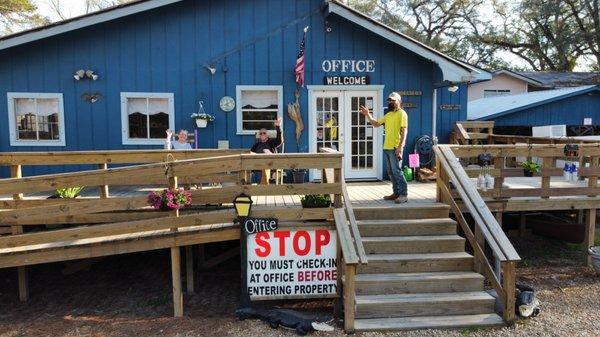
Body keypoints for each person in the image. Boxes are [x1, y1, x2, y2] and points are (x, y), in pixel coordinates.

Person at [359, 92, 408, 203]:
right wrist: (367, 114)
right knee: (391, 172)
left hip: (396, 147)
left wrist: (400, 147)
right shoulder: (389, 115)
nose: (391, 102)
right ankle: (396, 193)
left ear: (399, 101)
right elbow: (376, 124)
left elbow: (404, 131)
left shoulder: (402, 114)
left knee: (397, 171)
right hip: (387, 147)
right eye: (389, 100)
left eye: (393, 100)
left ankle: (403, 194)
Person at [250, 117, 284, 184]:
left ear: (267, 134)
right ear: (259, 136)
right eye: (261, 133)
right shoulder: (256, 145)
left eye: (264, 133)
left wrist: (278, 126)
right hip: (257, 164)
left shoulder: (271, 142)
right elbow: (251, 154)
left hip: (270, 163)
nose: (262, 134)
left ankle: (265, 183)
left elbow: (280, 141)